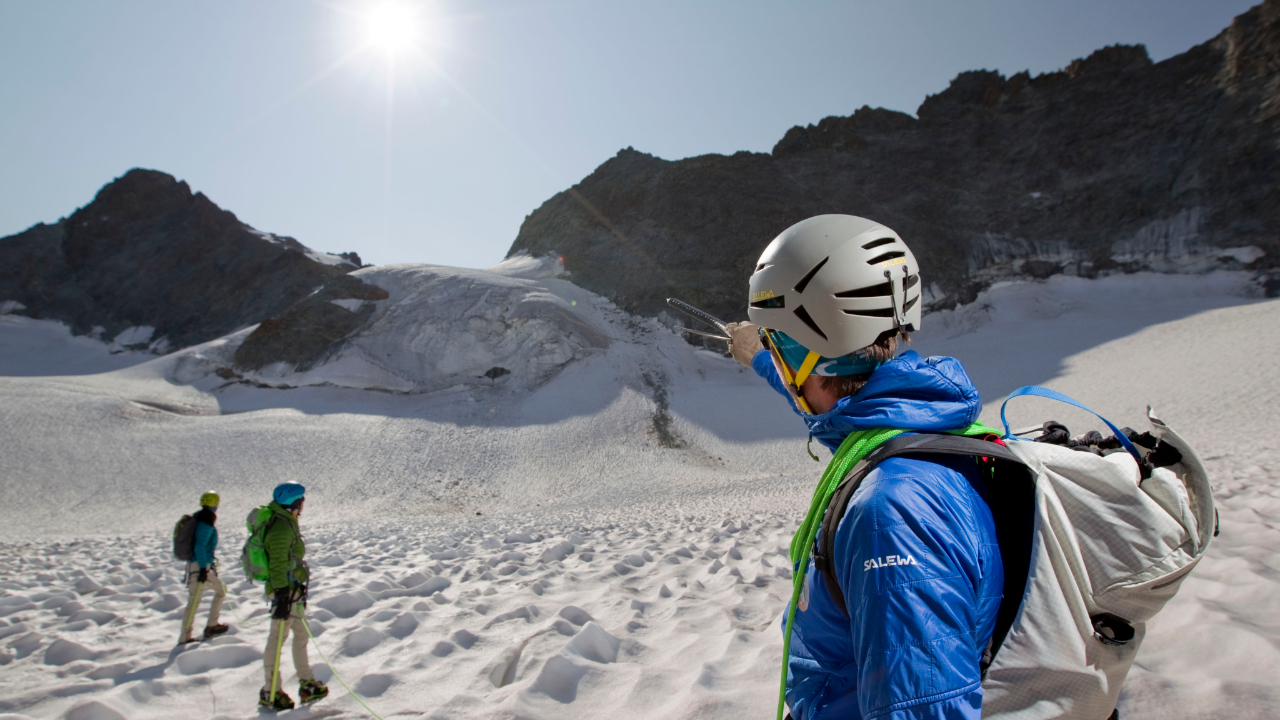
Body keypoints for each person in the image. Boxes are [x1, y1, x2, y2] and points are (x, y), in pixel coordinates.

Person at [725, 214, 1004, 720]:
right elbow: (830, 403)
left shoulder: (890, 512)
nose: (776, 359)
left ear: (803, 350)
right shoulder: (912, 425)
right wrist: (762, 358)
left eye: (777, 344)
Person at [259, 482, 328, 711]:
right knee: (277, 639)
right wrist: (281, 594)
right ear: (296, 502)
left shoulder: (287, 523)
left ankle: (306, 683)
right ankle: (271, 691)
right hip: (285, 592)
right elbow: (278, 562)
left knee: (300, 635)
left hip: (291, 591)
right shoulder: (281, 527)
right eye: (302, 500)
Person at [178, 491, 229, 644]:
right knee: (194, 601)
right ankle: (185, 637)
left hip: (199, 566)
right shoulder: (206, 522)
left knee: (220, 591)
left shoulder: (199, 518)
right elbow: (200, 546)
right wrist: (202, 569)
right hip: (200, 567)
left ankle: (211, 625)